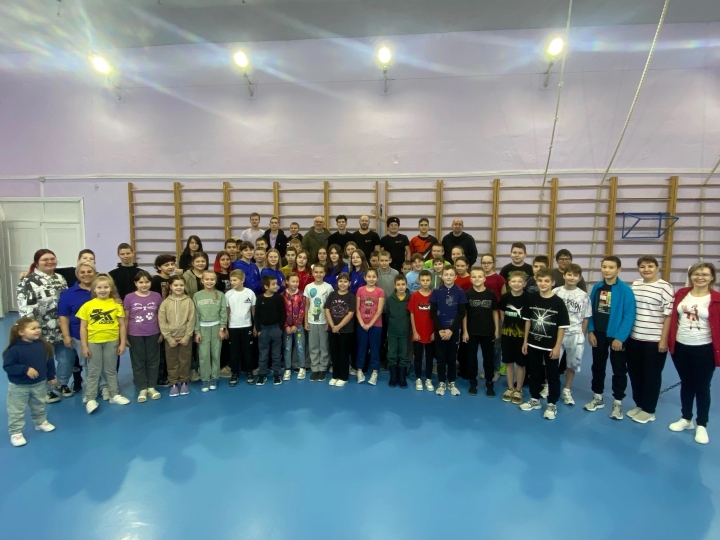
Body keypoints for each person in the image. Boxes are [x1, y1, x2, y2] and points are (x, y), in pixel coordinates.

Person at [667, 262, 720, 445]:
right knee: (687, 383)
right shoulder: (681, 294)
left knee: (702, 387)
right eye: (696, 274)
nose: (700, 277)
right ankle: (686, 418)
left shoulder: (716, 299)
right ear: (691, 276)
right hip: (681, 347)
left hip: (704, 348)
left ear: (712, 277)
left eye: (705, 274)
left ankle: (702, 424)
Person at [16, 249, 74, 404]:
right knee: (42, 361)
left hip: (61, 328)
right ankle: (46, 390)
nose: (50, 262)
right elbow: (25, 309)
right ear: (37, 263)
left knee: (66, 358)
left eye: (52, 259)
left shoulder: (60, 278)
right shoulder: (28, 281)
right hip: (40, 330)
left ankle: (62, 384)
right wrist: (31, 331)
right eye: (45, 260)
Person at [584, 256, 637, 419]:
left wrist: (620, 337)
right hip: (598, 334)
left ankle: (618, 402)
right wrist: (591, 330)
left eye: (611, 267)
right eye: (604, 267)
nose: (607, 270)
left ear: (619, 269)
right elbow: (590, 310)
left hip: (616, 336)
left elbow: (629, 315)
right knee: (597, 366)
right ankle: (597, 397)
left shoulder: (625, 290)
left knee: (619, 369)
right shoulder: (597, 287)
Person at [625, 256, 675, 424]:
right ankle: (639, 404)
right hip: (634, 337)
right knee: (635, 373)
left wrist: (663, 340)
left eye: (650, 266)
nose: (646, 269)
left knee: (651, 375)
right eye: (643, 266)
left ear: (657, 268)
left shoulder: (665, 287)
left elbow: (668, 315)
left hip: (653, 340)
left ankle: (649, 410)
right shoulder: (636, 285)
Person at [77, 274, 130, 414]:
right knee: (94, 371)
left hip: (112, 341)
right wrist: (84, 346)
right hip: (93, 341)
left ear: (110, 288)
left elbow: (122, 325)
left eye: (106, 287)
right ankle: (90, 398)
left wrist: (122, 343)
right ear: (94, 289)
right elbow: (83, 327)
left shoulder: (116, 305)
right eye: (99, 287)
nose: (103, 290)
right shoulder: (87, 306)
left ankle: (114, 394)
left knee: (111, 370)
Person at [3, 317, 57, 447]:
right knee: (17, 409)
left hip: (39, 383)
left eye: (38, 328)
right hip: (19, 386)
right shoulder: (14, 350)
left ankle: (40, 422)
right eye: (33, 328)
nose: (37, 330)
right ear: (21, 332)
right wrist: (25, 369)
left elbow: (49, 361)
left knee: (39, 404)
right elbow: (8, 367)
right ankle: (16, 432)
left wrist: (51, 376)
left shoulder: (43, 345)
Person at [553, 264, 592, 406]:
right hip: (557, 333)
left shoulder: (584, 296)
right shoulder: (555, 292)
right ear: (564, 275)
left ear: (579, 278)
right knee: (552, 362)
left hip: (575, 334)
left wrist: (582, 335)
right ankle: (549, 385)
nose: (572, 277)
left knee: (572, 364)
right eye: (569, 274)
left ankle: (567, 389)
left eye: (575, 275)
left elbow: (585, 318)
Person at [58, 262, 98, 394]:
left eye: (89, 271)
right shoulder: (68, 294)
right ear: (77, 274)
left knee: (100, 364)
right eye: (82, 272)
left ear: (95, 273)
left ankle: (103, 387)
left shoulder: (102, 289)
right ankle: (90, 391)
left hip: (101, 334)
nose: (86, 274)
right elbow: (64, 316)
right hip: (78, 335)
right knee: (86, 364)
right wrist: (66, 336)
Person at [123, 270, 163, 403]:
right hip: (135, 334)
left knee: (153, 361)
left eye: (147, 282)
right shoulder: (129, 297)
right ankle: (142, 388)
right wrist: (125, 336)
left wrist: (162, 332)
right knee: (138, 361)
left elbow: (160, 315)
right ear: (135, 283)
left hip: (153, 333)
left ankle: (151, 386)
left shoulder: (156, 296)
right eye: (141, 282)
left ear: (150, 282)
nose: (144, 285)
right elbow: (126, 318)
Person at [430, 265, 468, 396]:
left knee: (452, 358)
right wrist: (440, 329)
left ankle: (452, 381)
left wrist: (451, 330)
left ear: (455, 277)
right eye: (446, 274)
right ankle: (441, 382)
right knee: (440, 358)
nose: (448, 277)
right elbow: (433, 312)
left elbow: (462, 313)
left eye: (451, 275)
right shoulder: (436, 291)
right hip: (439, 331)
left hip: (454, 331)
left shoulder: (460, 292)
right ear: (442, 276)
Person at [463, 268, 499, 397]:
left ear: (484, 278)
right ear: (470, 279)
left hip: (488, 331)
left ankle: (489, 383)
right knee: (472, 359)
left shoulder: (491, 294)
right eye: (474, 277)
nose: (477, 279)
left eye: (479, 276)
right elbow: (464, 314)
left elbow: (495, 312)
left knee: (488, 359)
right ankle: (473, 382)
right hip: (472, 331)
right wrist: (465, 331)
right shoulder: (467, 294)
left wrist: (497, 329)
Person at [158, 275, 195, 397]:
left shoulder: (189, 301)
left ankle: (184, 381)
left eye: (181, 285)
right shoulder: (165, 303)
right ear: (170, 286)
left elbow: (191, 320)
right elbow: (162, 321)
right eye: (176, 285)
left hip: (185, 337)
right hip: (170, 339)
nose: (178, 287)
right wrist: (168, 338)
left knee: (185, 361)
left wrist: (187, 336)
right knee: (171, 361)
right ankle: (173, 383)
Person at [194, 271, 227, 392]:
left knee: (215, 354)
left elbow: (223, 312)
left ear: (215, 281)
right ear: (202, 281)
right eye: (207, 279)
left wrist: (222, 328)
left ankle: (214, 378)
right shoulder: (197, 295)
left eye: (212, 279)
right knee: (203, 355)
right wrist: (197, 331)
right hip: (202, 329)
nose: (209, 282)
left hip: (216, 328)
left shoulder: (220, 294)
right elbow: (195, 315)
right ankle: (205, 379)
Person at [499, 271, 529, 405]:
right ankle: (510, 388)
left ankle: (518, 390)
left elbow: (528, 320)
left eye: (519, 281)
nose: (516, 284)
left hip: (522, 337)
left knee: (521, 363)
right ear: (509, 283)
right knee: (508, 362)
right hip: (507, 335)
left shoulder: (528, 298)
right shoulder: (505, 297)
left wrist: (526, 340)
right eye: (514, 281)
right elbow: (502, 313)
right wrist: (505, 329)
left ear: (524, 284)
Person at [226, 269, 257, 386]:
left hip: (247, 326)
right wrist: (226, 328)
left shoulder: (250, 293)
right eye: (231, 280)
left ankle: (249, 372)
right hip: (233, 327)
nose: (232, 282)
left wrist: (255, 326)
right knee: (234, 352)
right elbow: (227, 312)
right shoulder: (228, 294)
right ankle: (235, 373)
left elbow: (253, 311)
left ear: (242, 280)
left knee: (248, 351)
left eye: (235, 280)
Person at [325, 272, 356, 387]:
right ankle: (335, 375)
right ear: (337, 283)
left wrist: (339, 326)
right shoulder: (332, 294)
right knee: (334, 353)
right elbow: (327, 309)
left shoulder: (351, 297)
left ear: (349, 283)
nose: (343, 284)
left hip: (346, 330)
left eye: (345, 281)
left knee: (344, 353)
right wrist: (332, 325)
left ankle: (343, 377)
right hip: (332, 329)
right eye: (340, 281)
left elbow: (350, 314)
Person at [255, 275, 286, 386]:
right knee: (263, 354)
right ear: (266, 286)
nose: (276, 286)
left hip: (275, 329)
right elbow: (256, 315)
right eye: (273, 284)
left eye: (276, 284)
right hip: (263, 330)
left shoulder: (279, 298)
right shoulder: (260, 299)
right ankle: (262, 374)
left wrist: (280, 328)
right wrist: (258, 329)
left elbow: (283, 314)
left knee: (276, 354)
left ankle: (276, 374)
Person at [355, 268, 385, 385]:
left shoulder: (380, 291)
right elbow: (357, 308)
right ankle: (359, 370)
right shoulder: (360, 290)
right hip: (361, 325)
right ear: (365, 278)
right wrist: (362, 323)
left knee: (374, 348)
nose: (371, 279)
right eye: (369, 276)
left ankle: (374, 372)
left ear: (377, 278)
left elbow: (379, 310)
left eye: (373, 277)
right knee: (361, 347)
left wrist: (370, 324)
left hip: (376, 325)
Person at [304, 265, 334, 381]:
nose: (318, 274)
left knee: (324, 346)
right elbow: (307, 305)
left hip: (324, 321)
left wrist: (328, 322)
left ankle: (323, 368)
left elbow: (330, 306)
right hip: (312, 321)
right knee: (313, 346)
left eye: (321, 272)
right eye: (316, 272)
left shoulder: (328, 287)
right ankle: (315, 368)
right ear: (313, 273)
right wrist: (306, 321)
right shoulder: (308, 287)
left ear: (324, 273)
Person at [409, 270, 435, 391]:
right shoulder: (414, 296)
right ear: (419, 281)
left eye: (427, 280)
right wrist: (414, 331)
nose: (425, 282)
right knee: (418, 357)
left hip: (430, 332)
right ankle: (418, 378)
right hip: (418, 333)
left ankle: (428, 378)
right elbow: (412, 314)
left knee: (429, 357)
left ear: (431, 281)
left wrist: (434, 332)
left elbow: (437, 315)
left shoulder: (434, 295)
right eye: (423, 280)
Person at [386, 275, 411, 388]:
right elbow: (387, 316)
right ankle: (393, 377)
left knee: (403, 355)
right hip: (392, 332)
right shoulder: (389, 300)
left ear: (406, 285)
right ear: (394, 285)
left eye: (403, 284)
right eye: (398, 284)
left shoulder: (411, 299)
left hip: (405, 333)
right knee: (392, 354)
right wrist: (390, 327)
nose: (401, 287)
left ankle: (402, 378)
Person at [282, 273, 306, 380]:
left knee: (300, 347)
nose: (295, 284)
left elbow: (302, 311)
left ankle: (302, 367)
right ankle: (287, 368)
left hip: (298, 327)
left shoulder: (301, 295)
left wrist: (296, 325)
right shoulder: (282, 295)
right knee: (287, 348)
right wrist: (286, 325)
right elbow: (281, 312)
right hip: (286, 327)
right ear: (287, 282)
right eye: (293, 281)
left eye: (297, 281)